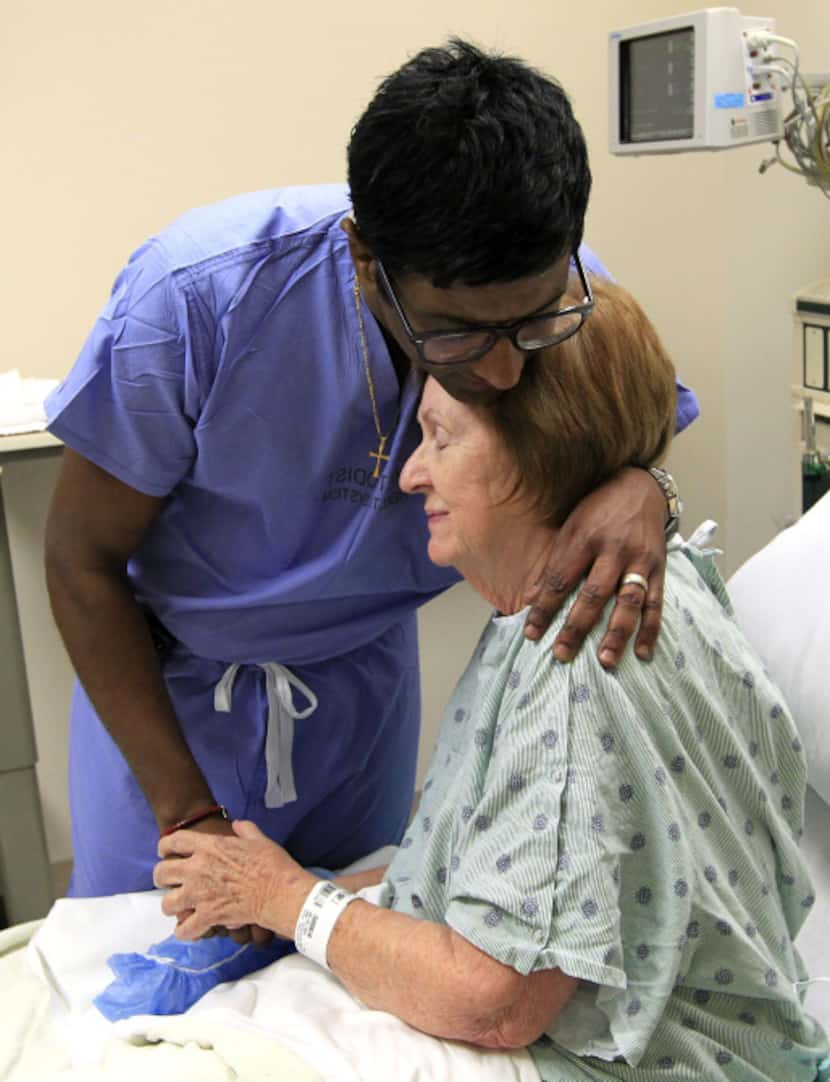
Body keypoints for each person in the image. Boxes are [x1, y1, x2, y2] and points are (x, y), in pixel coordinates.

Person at [44, 40, 698, 916]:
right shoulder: (198, 301)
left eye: (533, 322)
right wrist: (189, 814)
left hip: (363, 690)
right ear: (362, 259)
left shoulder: (565, 295)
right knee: (145, 982)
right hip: (176, 697)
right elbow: (80, 561)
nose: (506, 371)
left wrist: (644, 486)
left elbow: (633, 428)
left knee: (364, 962)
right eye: (459, 332)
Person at [155, 278, 828, 1081]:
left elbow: (494, 998)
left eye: (441, 438)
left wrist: (290, 900)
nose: (411, 475)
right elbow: (526, 861)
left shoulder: (577, 659)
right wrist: (321, 891)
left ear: (543, 448)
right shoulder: (649, 578)